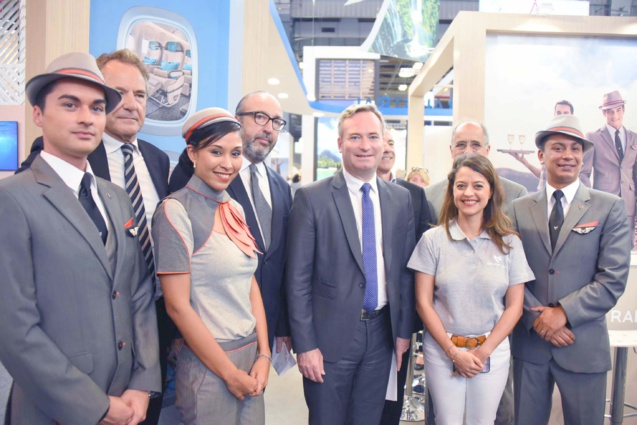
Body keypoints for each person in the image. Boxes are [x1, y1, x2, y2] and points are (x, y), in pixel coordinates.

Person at [0, 52, 160, 424]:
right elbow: (14, 328)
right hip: (54, 405)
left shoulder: (116, 197)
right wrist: (95, 405)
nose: (87, 117)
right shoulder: (13, 199)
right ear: (38, 114)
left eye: (97, 107)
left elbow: (136, 293)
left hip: (127, 399)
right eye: (70, 105)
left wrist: (143, 380)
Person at [286, 104, 416, 424]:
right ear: (340, 143)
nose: (365, 145)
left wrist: (402, 333)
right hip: (329, 340)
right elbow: (297, 279)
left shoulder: (400, 200)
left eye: (373, 136)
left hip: (382, 336)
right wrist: (306, 346)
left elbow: (403, 275)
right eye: (355, 137)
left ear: (384, 143)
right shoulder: (312, 198)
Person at [152, 108, 270, 424]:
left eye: (235, 153)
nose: (228, 163)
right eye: (215, 152)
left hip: (249, 357)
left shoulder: (234, 208)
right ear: (192, 153)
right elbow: (177, 307)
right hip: (210, 364)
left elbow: (250, 284)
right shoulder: (175, 211)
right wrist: (230, 373)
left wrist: (264, 353)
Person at [510, 114, 630, 425]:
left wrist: (562, 313)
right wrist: (536, 319)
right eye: (558, 147)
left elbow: (612, 278)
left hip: (583, 343)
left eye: (575, 149)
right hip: (530, 344)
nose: (568, 156)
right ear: (541, 155)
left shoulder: (609, 207)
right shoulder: (518, 209)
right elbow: (507, 273)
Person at [408, 153, 532, 424]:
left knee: (483, 421)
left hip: (492, 350)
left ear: (491, 192)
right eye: (461, 185)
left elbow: (514, 307)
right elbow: (423, 303)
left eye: (478, 185)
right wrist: (453, 353)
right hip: (442, 350)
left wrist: (483, 352)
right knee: (446, 420)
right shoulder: (432, 241)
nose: (469, 193)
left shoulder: (509, 243)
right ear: (452, 191)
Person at [169, 91, 293, 355]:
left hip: (262, 326)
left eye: (276, 122)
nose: (268, 128)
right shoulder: (203, 174)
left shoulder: (281, 187)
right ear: (237, 121)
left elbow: (279, 261)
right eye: (260, 117)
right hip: (209, 331)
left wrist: (282, 324)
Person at [377, 128, 433, 424]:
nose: (385, 148)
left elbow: (426, 253)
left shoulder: (414, 195)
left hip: (400, 317)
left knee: (393, 396)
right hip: (357, 317)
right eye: (378, 139)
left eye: (390, 142)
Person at [426, 121, 527, 222]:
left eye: (476, 145)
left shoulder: (516, 195)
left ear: (487, 150)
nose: (468, 151)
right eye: (461, 145)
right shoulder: (429, 196)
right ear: (451, 150)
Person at [580, 90, 637, 239]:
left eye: (618, 110)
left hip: (629, 205)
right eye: (610, 112)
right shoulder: (593, 137)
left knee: (628, 249)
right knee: (605, 246)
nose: (615, 115)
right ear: (604, 114)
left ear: (623, 110)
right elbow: (583, 173)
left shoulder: (634, 138)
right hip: (603, 204)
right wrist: (591, 201)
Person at [507, 100, 574, 190]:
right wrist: (524, 161)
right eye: (558, 113)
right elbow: (543, 175)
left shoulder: (576, 144)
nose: (561, 116)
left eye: (565, 113)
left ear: (572, 116)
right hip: (542, 195)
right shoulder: (547, 139)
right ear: (554, 114)